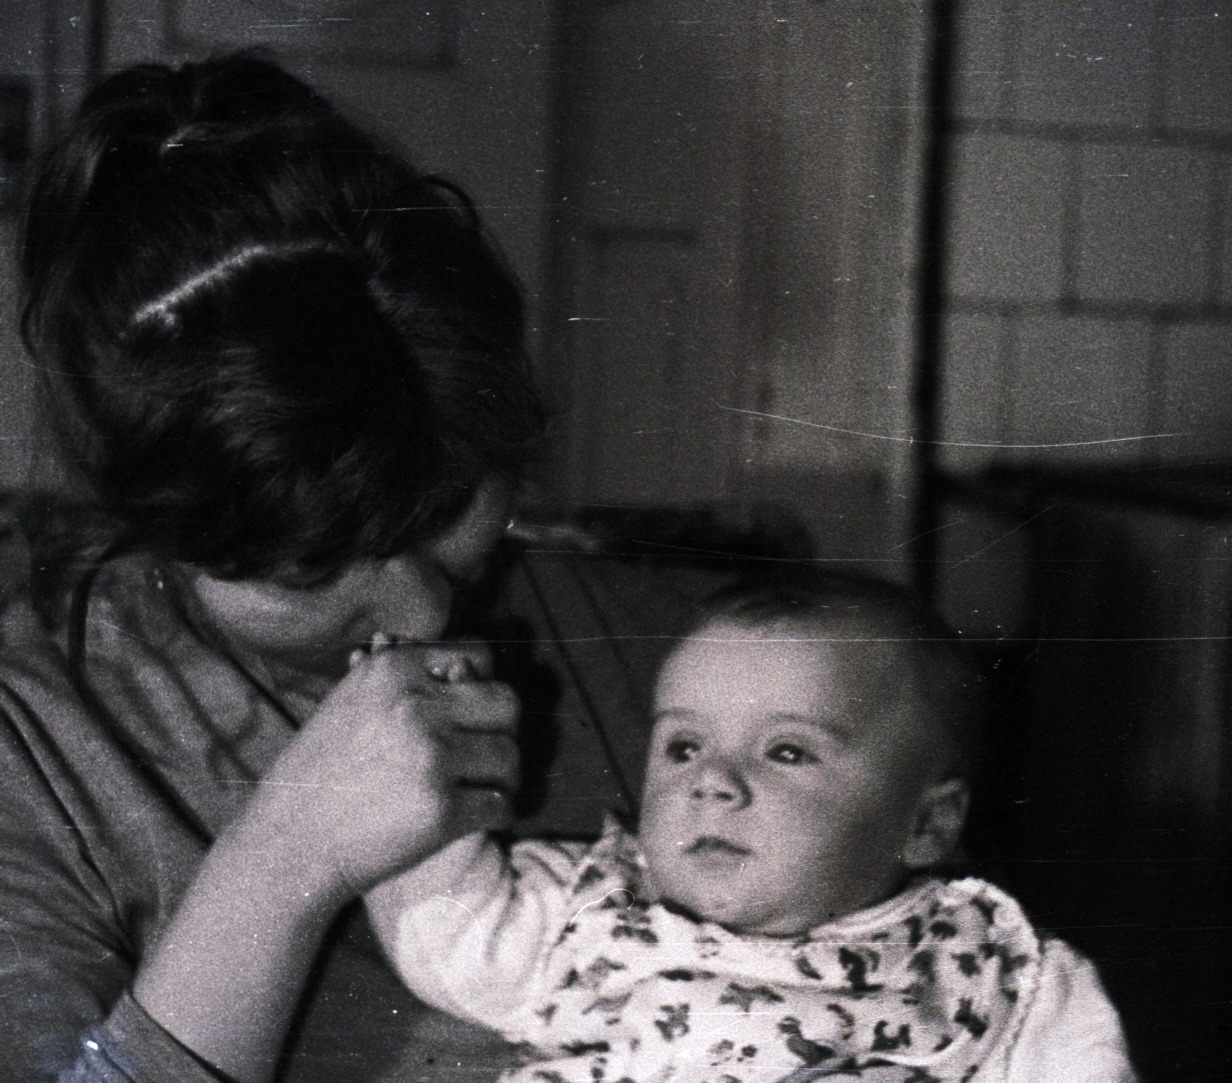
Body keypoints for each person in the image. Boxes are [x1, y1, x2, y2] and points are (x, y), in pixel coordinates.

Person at [0, 53, 711, 1082]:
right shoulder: (36, 754)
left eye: (448, 511)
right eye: (312, 567)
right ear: (165, 528)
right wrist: (286, 858)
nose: (421, 614)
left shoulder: (669, 653)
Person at [366, 572, 1137, 1082]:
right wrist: (436, 751)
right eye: (684, 745)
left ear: (927, 823)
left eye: (786, 750)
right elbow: (446, 930)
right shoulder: (589, 909)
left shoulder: (994, 973)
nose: (712, 782)